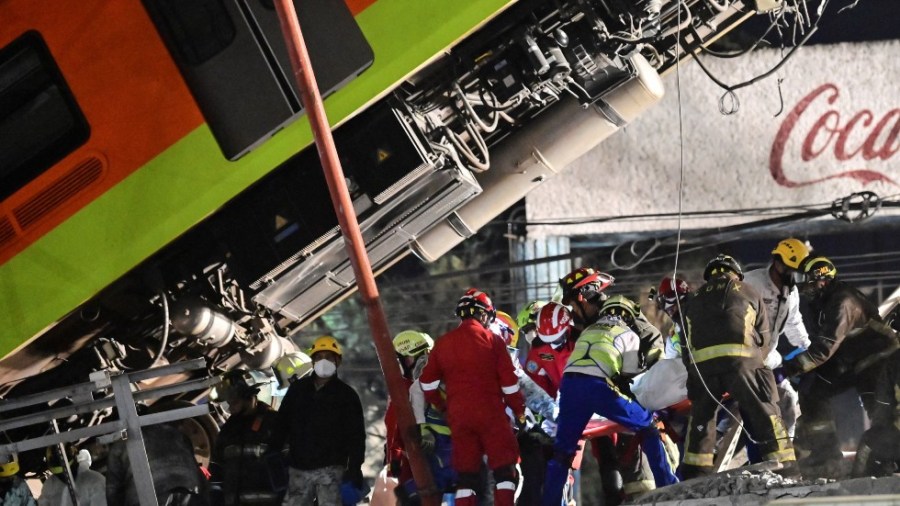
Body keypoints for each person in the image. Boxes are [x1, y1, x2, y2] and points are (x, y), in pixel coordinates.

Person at [542, 268, 678, 506]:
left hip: (572, 386)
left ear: (583, 296)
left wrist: (650, 385)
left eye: (573, 305)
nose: (572, 313)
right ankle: (669, 484)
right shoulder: (615, 325)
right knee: (645, 426)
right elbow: (627, 367)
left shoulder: (609, 317)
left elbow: (652, 341)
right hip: (603, 388)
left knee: (563, 452)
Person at [680, 254, 797, 479]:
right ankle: (787, 468)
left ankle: (696, 473)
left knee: (701, 418)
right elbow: (764, 338)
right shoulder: (749, 291)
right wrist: (751, 368)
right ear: (735, 274)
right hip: (742, 363)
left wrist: (699, 371)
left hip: (702, 368)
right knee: (765, 409)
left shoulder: (692, 299)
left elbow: (686, 344)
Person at [782, 256, 899, 474]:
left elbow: (825, 348)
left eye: (808, 280)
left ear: (823, 280)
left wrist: (788, 368)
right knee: (813, 390)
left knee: (880, 410)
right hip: (851, 361)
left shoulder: (843, 302)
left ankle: (886, 461)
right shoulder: (825, 302)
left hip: (878, 360)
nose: (805, 286)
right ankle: (824, 456)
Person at [420, 289, 526, 506]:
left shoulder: (443, 343)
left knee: (466, 477)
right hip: (492, 416)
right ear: (484, 314)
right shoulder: (493, 341)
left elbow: (427, 384)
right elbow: (510, 385)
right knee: (505, 471)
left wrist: (443, 407)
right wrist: (519, 411)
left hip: (459, 417)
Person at [272, 336, 366, 506]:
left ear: (338, 361)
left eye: (328, 357)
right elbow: (282, 423)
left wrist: (355, 467)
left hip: (331, 469)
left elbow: (356, 435)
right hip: (299, 467)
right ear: (312, 361)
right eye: (318, 357)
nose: (323, 361)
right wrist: (273, 450)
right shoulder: (297, 390)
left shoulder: (347, 395)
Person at [743, 238, 812, 439]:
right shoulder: (750, 283)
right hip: (741, 358)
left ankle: (786, 451)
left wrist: (808, 348)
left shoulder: (791, 293)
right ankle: (717, 442)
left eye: (797, 272)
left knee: (788, 398)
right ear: (778, 262)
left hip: (767, 357)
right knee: (741, 410)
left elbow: (793, 322)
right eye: (791, 270)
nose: (793, 276)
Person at [209, 369, 283, 506]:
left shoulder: (275, 424)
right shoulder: (228, 430)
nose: (230, 406)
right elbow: (217, 470)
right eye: (228, 401)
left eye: (234, 401)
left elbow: (291, 467)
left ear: (249, 395)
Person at [106, 421, 209, 506]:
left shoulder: (120, 444)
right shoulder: (176, 434)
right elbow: (196, 469)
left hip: (147, 497)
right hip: (187, 490)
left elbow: (113, 491)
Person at [40, 446, 106, 506]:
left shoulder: (95, 482)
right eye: (60, 475)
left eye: (65, 472)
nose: (63, 478)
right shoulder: (52, 482)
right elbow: (43, 502)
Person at [652, 277, 692, 360]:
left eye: (672, 308)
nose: (671, 314)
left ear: (683, 301)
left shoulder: (703, 317)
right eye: (668, 311)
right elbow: (672, 368)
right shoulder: (673, 338)